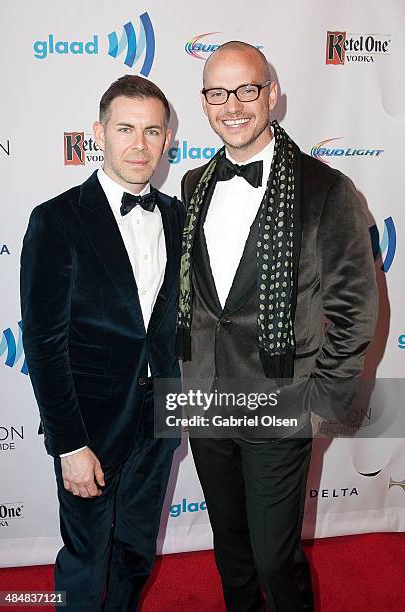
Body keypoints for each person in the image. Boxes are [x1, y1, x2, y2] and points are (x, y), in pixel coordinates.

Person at [177, 41, 377, 611]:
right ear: (205, 103)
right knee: (232, 551)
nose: (232, 105)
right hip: (206, 398)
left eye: (246, 89)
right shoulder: (193, 185)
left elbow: (354, 307)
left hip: (281, 401)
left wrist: (321, 402)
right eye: (218, 93)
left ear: (271, 95)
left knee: (273, 558)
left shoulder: (326, 189)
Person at [20, 75, 184, 611]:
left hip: (158, 422)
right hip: (88, 428)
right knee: (86, 560)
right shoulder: (56, 220)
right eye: (125, 129)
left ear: (167, 139)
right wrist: (68, 445)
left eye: (152, 131)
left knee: (135, 554)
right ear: (99, 133)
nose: (139, 144)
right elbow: (43, 345)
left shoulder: (179, 218)